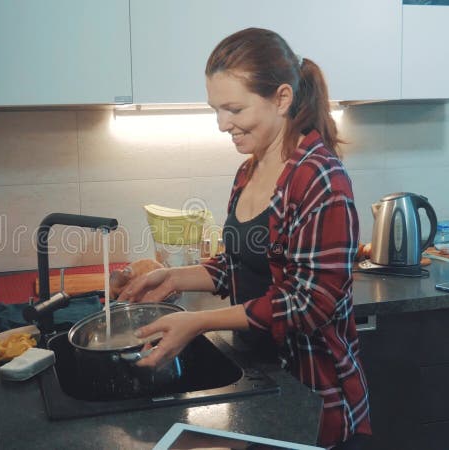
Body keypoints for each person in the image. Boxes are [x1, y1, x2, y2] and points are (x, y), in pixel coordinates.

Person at [117, 28, 371, 450]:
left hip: (314, 393)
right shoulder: (249, 170)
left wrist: (197, 321)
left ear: (282, 98)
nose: (222, 125)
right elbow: (241, 262)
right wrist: (173, 278)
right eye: (216, 109)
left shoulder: (320, 178)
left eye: (234, 108)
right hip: (260, 374)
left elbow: (309, 304)